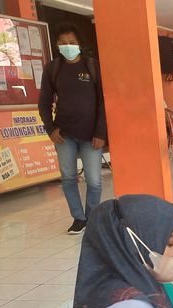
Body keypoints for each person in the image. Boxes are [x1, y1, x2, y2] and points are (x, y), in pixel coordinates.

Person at [38, 24, 107, 235]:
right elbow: (44, 102)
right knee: (68, 178)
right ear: (57, 45)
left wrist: (100, 133)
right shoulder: (53, 69)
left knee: (94, 180)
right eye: (63, 43)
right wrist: (50, 128)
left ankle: (92, 217)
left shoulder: (93, 66)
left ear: (79, 44)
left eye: (72, 43)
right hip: (64, 135)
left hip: (91, 136)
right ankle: (79, 218)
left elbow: (104, 103)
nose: (68, 46)